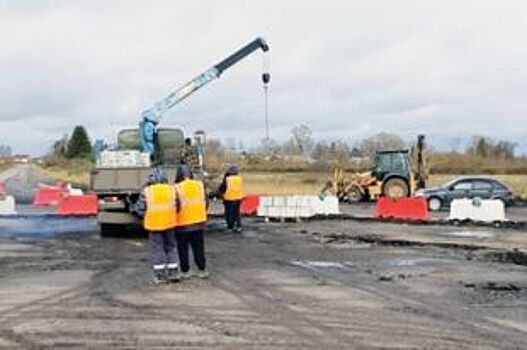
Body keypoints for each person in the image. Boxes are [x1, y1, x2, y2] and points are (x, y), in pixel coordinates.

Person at [135, 167, 179, 284]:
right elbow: (178, 206)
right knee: (171, 247)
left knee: (158, 249)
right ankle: (173, 272)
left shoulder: (147, 191)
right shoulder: (172, 190)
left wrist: (142, 216)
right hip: (170, 223)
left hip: (154, 225)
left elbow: (140, 209)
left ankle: (160, 275)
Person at [174, 164, 209, 278]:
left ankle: (185, 271)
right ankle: (202, 269)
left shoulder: (176, 187)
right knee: (199, 247)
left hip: (182, 224)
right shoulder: (200, 185)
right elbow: (206, 202)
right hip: (199, 222)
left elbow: (176, 206)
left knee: (183, 248)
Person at [218, 165, 244, 232]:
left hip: (229, 199)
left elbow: (222, 188)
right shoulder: (239, 178)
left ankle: (230, 227)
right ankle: (239, 226)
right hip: (238, 198)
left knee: (229, 214)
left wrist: (218, 193)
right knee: (237, 213)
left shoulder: (227, 179)